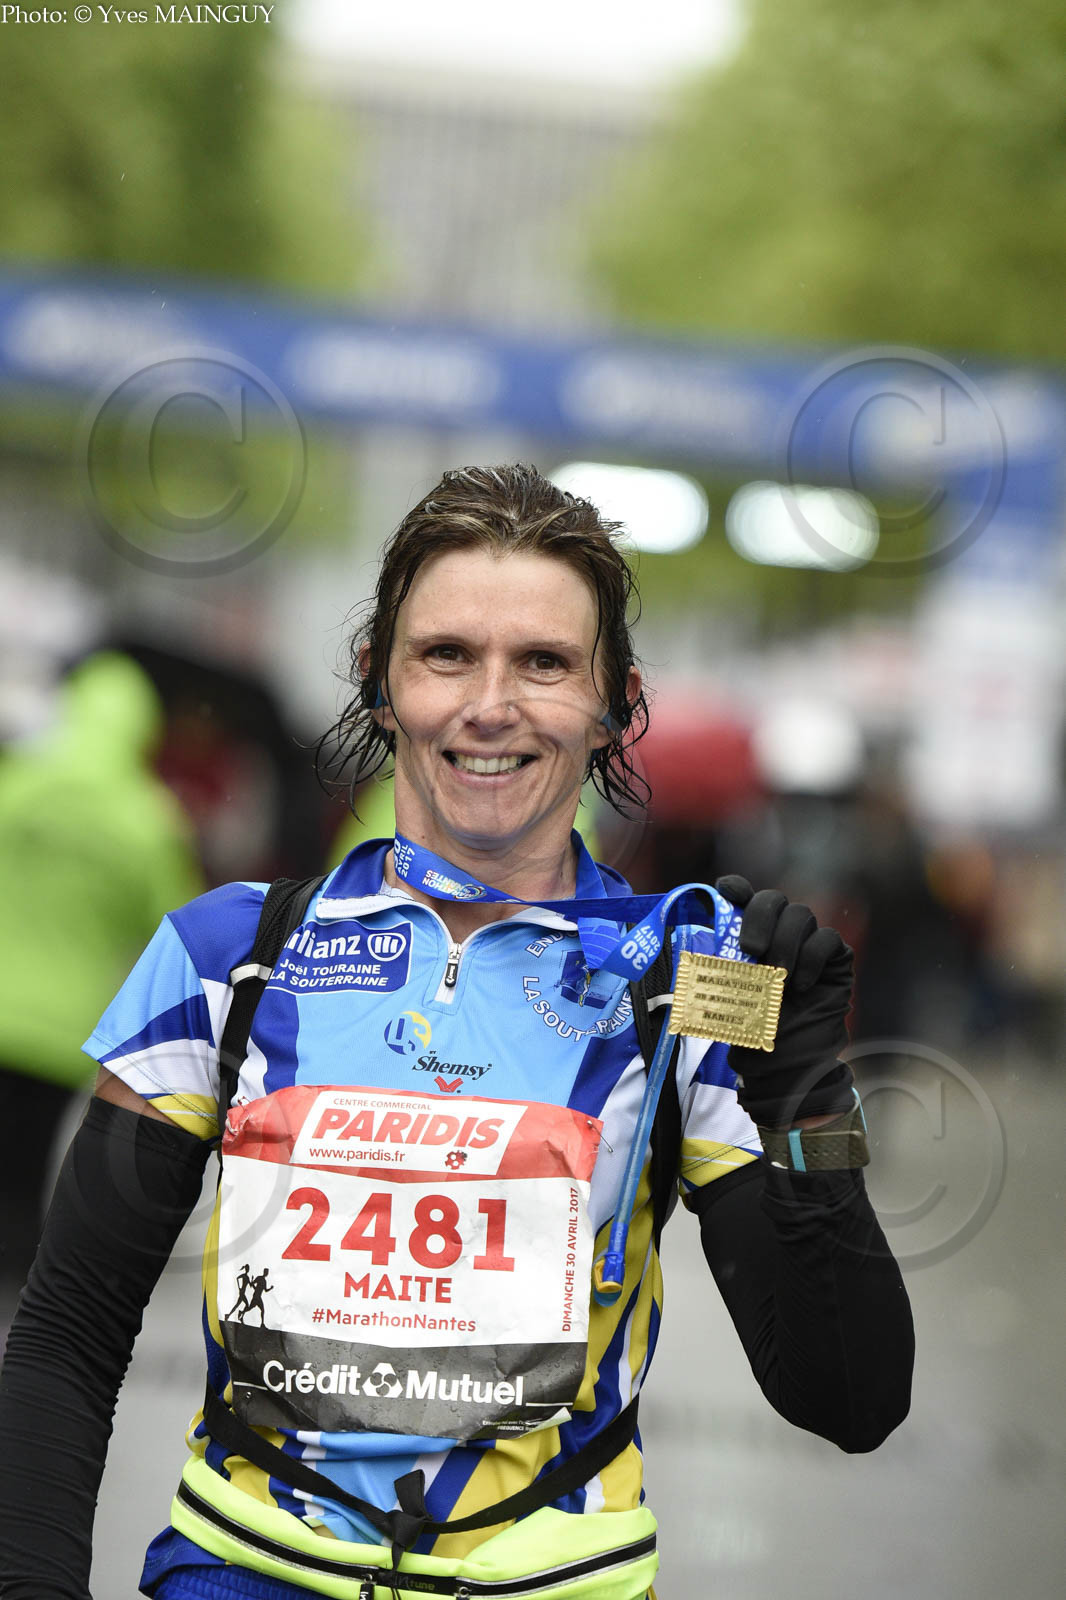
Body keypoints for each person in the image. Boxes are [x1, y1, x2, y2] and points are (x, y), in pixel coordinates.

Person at [0, 465, 913, 1600]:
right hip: (243, 1572)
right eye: (445, 654)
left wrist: (811, 1106)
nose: (491, 704)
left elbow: (850, 1399)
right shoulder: (227, 954)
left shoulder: (690, 980)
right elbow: (68, 1333)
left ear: (615, 702)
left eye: (544, 663)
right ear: (378, 682)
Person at [0, 649, 202, 1314]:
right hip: (61, 1030)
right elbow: (175, 926)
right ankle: (17, 1302)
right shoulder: (147, 817)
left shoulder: (16, 784)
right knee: (26, 1169)